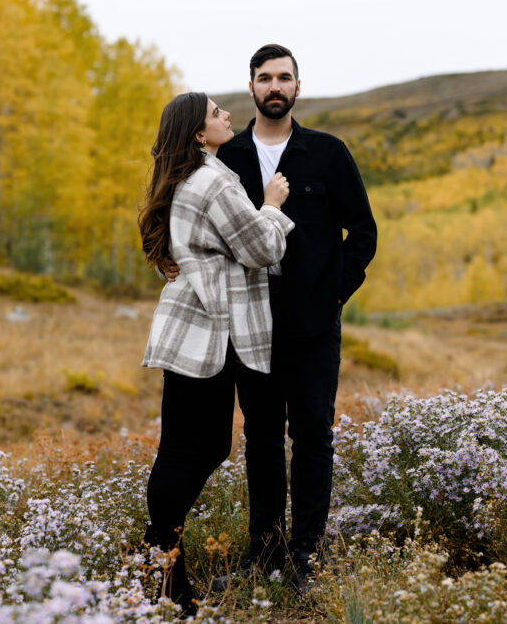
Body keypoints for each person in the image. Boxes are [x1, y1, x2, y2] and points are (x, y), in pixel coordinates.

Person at [209, 44, 378, 592]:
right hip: (250, 323)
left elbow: (364, 233)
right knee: (260, 437)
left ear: (298, 87)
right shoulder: (227, 158)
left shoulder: (327, 153)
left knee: (312, 437)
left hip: (312, 325)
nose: (274, 86)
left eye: (284, 77)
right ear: (251, 87)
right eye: (265, 78)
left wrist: (334, 294)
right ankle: (265, 552)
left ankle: (306, 554)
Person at [138, 91, 295, 616]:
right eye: (215, 113)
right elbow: (262, 248)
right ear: (199, 133)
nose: (227, 115)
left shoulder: (182, 178)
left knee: (191, 448)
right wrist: (272, 205)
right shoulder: (214, 180)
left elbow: (177, 247)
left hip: (190, 329)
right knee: (193, 450)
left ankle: (163, 565)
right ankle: (160, 564)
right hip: (210, 333)